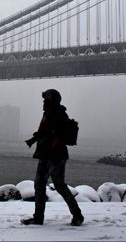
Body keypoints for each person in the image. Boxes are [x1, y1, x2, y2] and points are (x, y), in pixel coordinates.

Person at [21, 89, 84, 226]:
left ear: (51, 100)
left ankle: (76, 215)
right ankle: (40, 217)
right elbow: (44, 133)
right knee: (44, 185)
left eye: (45, 100)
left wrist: (45, 142)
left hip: (54, 155)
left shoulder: (56, 114)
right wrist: (33, 140)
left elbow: (54, 134)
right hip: (47, 155)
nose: (43, 102)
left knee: (54, 185)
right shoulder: (50, 113)